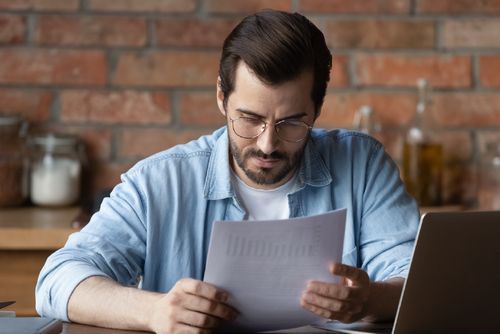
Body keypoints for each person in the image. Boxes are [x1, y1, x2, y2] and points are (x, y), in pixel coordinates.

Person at [36, 9, 419, 334]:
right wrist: (154, 311)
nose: (267, 144)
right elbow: (56, 281)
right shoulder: (161, 182)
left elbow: (417, 282)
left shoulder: (362, 164)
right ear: (222, 97)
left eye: (290, 123)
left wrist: (369, 299)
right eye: (249, 119)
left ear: (317, 109)